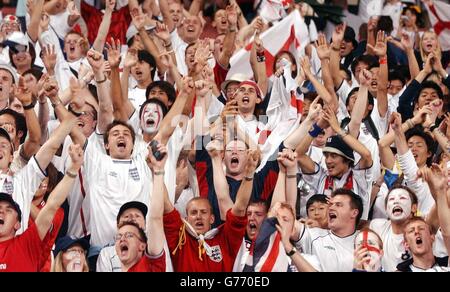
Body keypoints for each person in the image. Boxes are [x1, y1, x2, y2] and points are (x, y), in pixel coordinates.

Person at [163, 148, 260, 272]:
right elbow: (165, 204)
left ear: (212, 218)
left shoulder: (225, 237)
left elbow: (240, 207)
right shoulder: (179, 238)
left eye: (204, 212)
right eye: (193, 213)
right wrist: (157, 171)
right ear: (186, 219)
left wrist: (249, 173)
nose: (198, 216)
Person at [0, 143, 83, 272]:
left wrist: (73, 169)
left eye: (8, 209)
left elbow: (52, 205)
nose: (1, 211)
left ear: (17, 224)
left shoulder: (27, 244)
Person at [293, 188, 364, 272]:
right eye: (330, 205)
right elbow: (283, 218)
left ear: (354, 213)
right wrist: (285, 175)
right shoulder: (312, 234)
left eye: (338, 205)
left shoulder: (367, 240)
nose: (330, 208)